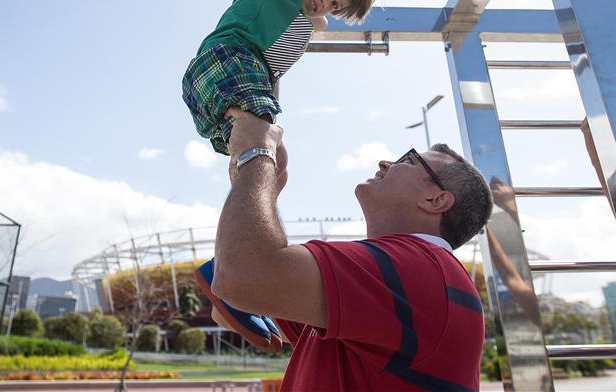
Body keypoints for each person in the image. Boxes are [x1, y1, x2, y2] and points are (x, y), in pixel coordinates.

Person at [184, 0, 378, 351]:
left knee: (273, 165)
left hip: (226, 83)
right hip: (227, 61)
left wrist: (321, 14)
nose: (323, 1)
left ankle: (227, 275)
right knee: (264, 147)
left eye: (335, 3)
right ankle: (234, 272)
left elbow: (319, 21)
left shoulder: (308, 18)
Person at [211, 111, 493, 390]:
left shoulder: (422, 269)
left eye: (408, 160)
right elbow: (234, 303)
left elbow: (242, 278)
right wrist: (262, 179)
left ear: (435, 199)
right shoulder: (407, 280)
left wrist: (257, 156)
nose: (385, 163)